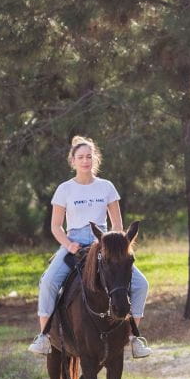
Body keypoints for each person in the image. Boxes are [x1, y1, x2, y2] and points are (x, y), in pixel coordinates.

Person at [27, 136, 152, 358]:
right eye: (80, 157)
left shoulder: (107, 187)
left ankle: (133, 337)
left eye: (88, 156)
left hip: (102, 242)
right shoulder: (65, 189)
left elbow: (118, 225)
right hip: (73, 242)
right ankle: (44, 337)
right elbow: (56, 226)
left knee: (141, 283)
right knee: (48, 282)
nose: (85, 161)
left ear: (94, 159)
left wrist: (111, 246)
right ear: (73, 161)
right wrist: (69, 245)